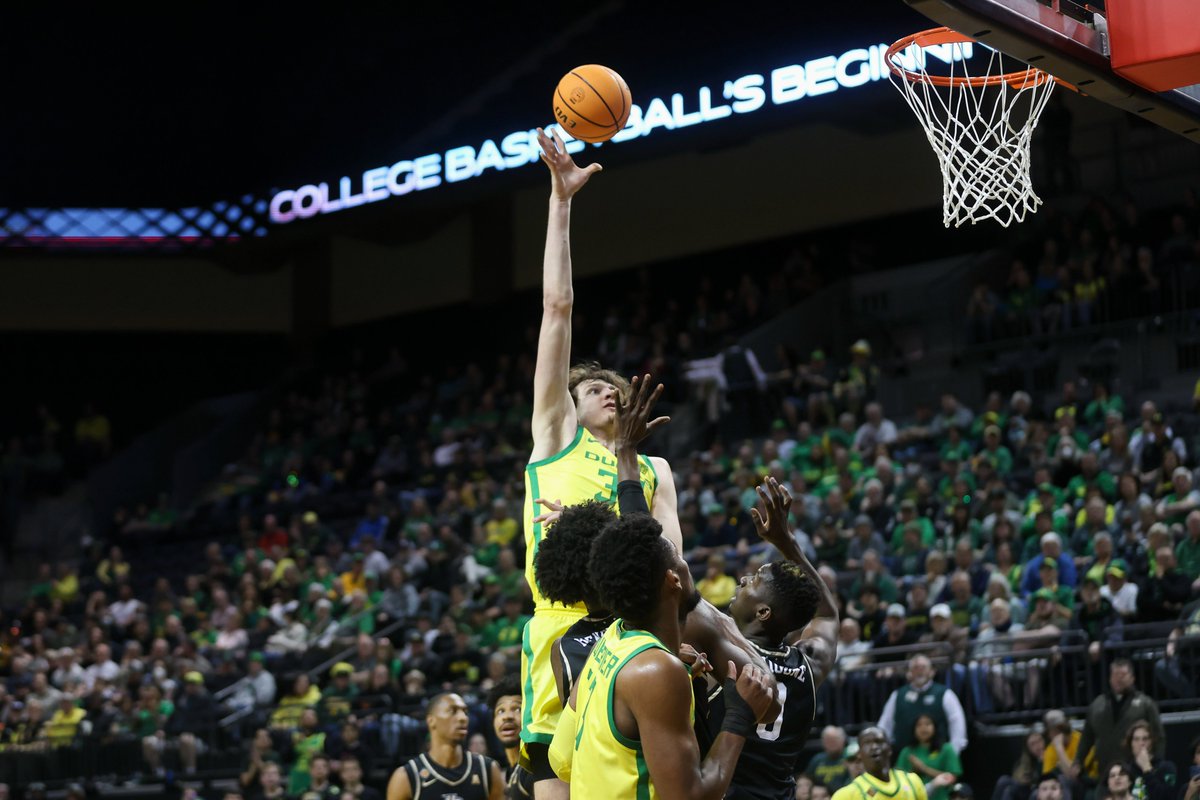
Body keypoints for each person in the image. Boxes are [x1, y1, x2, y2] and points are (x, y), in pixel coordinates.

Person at [523, 127, 682, 799]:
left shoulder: (655, 472)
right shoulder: (556, 434)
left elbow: (674, 571)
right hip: (559, 642)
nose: (605, 391)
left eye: (613, 386)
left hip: (633, 650)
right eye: (592, 388)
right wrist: (561, 202)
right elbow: (557, 308)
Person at [547, 511, 775, 799]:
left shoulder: (611, 641)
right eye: (679, 557)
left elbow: (560, 757)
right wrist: (738, 717)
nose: (687, 563)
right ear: (673, 579)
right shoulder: (656, 670)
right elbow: (689, 797)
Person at [702, 477, 840, 800]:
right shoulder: (810, 663)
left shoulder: (722, 650)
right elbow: (828, 615)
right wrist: (787, 542)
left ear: (763, 613)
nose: (745, 578)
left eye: (755, 580)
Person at [386, 692, 504, 800]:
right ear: (431, 721)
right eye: (453, 711)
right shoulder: (405, 777)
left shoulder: (488, 770)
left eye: (465, 712)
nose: (463, 718)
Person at [1078, 660, 1166, 774]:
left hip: (1137, 770)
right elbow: (1086, 737)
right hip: (1105, 771)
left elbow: (1159, 736)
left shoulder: (1146, 704)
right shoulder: (1097, 705)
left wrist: (1157, 762)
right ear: (1110, 679)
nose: (1119, 679)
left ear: (1132, 678)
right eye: (1115, 675)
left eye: (1123, 675)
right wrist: (1078, 761)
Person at [877, 655, 968, 755]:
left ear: (932, 672)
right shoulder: (898, 695)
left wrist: (954, 752)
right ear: (909, 673)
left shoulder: (945, 693)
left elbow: (957, 723)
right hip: (905, 758)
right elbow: (885, 724)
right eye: (915, 668)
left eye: (923, 667)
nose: (919, 671)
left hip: (938, 757)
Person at [831, 726, 952, 800]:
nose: (874, 747)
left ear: (889, 748)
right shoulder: (846, 795)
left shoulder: (912, 781)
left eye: (879, 741)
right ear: (859, 754)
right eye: (867, 743)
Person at [895, 715, 962, 800]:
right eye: (919, 725)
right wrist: (914, 771)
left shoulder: (946, 749)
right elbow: (897, 780)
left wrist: (924, 768)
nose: (923, 728)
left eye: (927, 724)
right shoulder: (907, 752)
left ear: (935, 727)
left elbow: (952, 778)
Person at [488, 676, 532, 799]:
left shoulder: (537, 766)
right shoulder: (508, 772)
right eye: (500, 711)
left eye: (517, 709)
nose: (507, 716)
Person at [1122, 721, 1177, 800]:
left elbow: (1167, 796)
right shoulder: (1124, 770)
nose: (1141, 743)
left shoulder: (1167, 767)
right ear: (1131, 743)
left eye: (1145, 739)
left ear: (1152, 742)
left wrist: (1147, 769)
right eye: (1136, 739)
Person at [991, 729, 1045, 800]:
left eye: (1039, 741)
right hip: (1024, 790)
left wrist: (1042, 761)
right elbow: (1018, 779)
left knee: (1009, 789)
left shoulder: (1051, 754)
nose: (1037, 746)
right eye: (1032, 744)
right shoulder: (1025, 761)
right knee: (1003, 780)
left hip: (1037, 790)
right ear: (1028, 748)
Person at [805, 727, 851, 792]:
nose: (831, 743)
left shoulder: (850, 757)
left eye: (834, 739)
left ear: (843, 740)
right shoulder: (817, 759)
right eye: (828, 740)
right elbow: (807, 779)